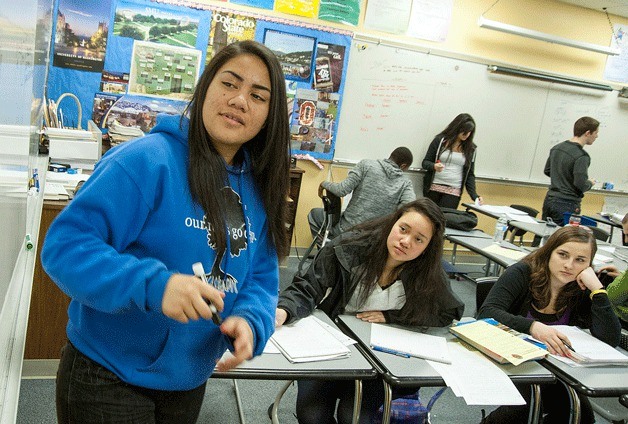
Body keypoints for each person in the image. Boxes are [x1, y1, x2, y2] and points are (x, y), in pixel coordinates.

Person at [41, 40, 291, 423]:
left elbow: (260, 277)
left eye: (258, 96)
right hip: (107, 377)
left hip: (187, 383)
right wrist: (155, 286)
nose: (240, 100)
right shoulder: (146, 160)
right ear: (206, 87)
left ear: (269, 117)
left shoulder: (259, 189)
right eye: (229, 83)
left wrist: (250, 320)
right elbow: (65, 247)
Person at [276, 198, 464, 424]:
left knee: (354, 417)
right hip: (333, 349)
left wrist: (392, 316)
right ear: (393, 223)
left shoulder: (428, 273)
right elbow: (306, 288)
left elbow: (447, 312)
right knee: (312, 415)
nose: (405, 241)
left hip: (379, 361)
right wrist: (284, 310)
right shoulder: (347, 248)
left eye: (418, 240)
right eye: (403, 229)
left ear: (427, 247)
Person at [478, 226, 621, 424]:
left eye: (580, 260)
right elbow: (486, 313)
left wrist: (597, 290)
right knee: (523, 409)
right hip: (513, 361)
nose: (569, 265)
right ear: (549, 252)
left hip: (559, 368)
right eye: (563, 255)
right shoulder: (522, 272)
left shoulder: (582, 287)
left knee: (581, 415)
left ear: (589, 265)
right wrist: (533, 327)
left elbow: (609, 339)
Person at [308, 146, 416, 243]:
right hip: (375, 238)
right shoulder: (405, 183)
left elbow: (341, 190)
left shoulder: (366, 165)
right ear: (403, 166)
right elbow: (409, 209)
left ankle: (328, 251)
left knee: (313, 215)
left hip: (347, 231)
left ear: (391, 156)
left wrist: (324, 183)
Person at [541, 116, 599, 225]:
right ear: (587, 133)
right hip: (567, 204)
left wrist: (562, 177)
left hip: (550, 199)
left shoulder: (557, 147)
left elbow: (547, 170)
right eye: (595, 133)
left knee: (543, 234)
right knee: (563, 238)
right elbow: (580, 185)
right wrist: (590, 183)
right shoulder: (582, 156)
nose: (597, 136)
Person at [421, 113, 483, 209]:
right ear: (457, 128)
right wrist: (434, 166)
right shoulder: (440, 141)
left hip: (454, 190)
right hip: (434, 187)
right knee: (429, 218)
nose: (467, 135)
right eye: (465, 131)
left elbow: (469, 174)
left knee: (446, 219)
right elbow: (425, 162)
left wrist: (474, 195)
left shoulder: (471, 149)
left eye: (470, 132)